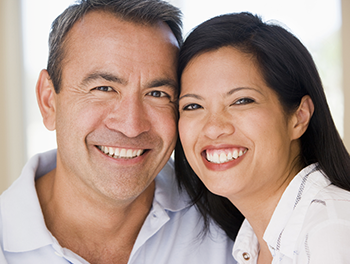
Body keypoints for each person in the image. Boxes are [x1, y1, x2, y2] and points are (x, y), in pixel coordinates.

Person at [0, 1, 237, 263]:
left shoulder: (232, 221)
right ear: (48, 101)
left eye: (157, 94)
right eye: (104, 89)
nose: (131, 126)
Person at [175, 12, 350, 264]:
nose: (213, 128)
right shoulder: (252, 244)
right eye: (193, 106)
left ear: (299, 117)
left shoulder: (329, 231)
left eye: (241, 101)